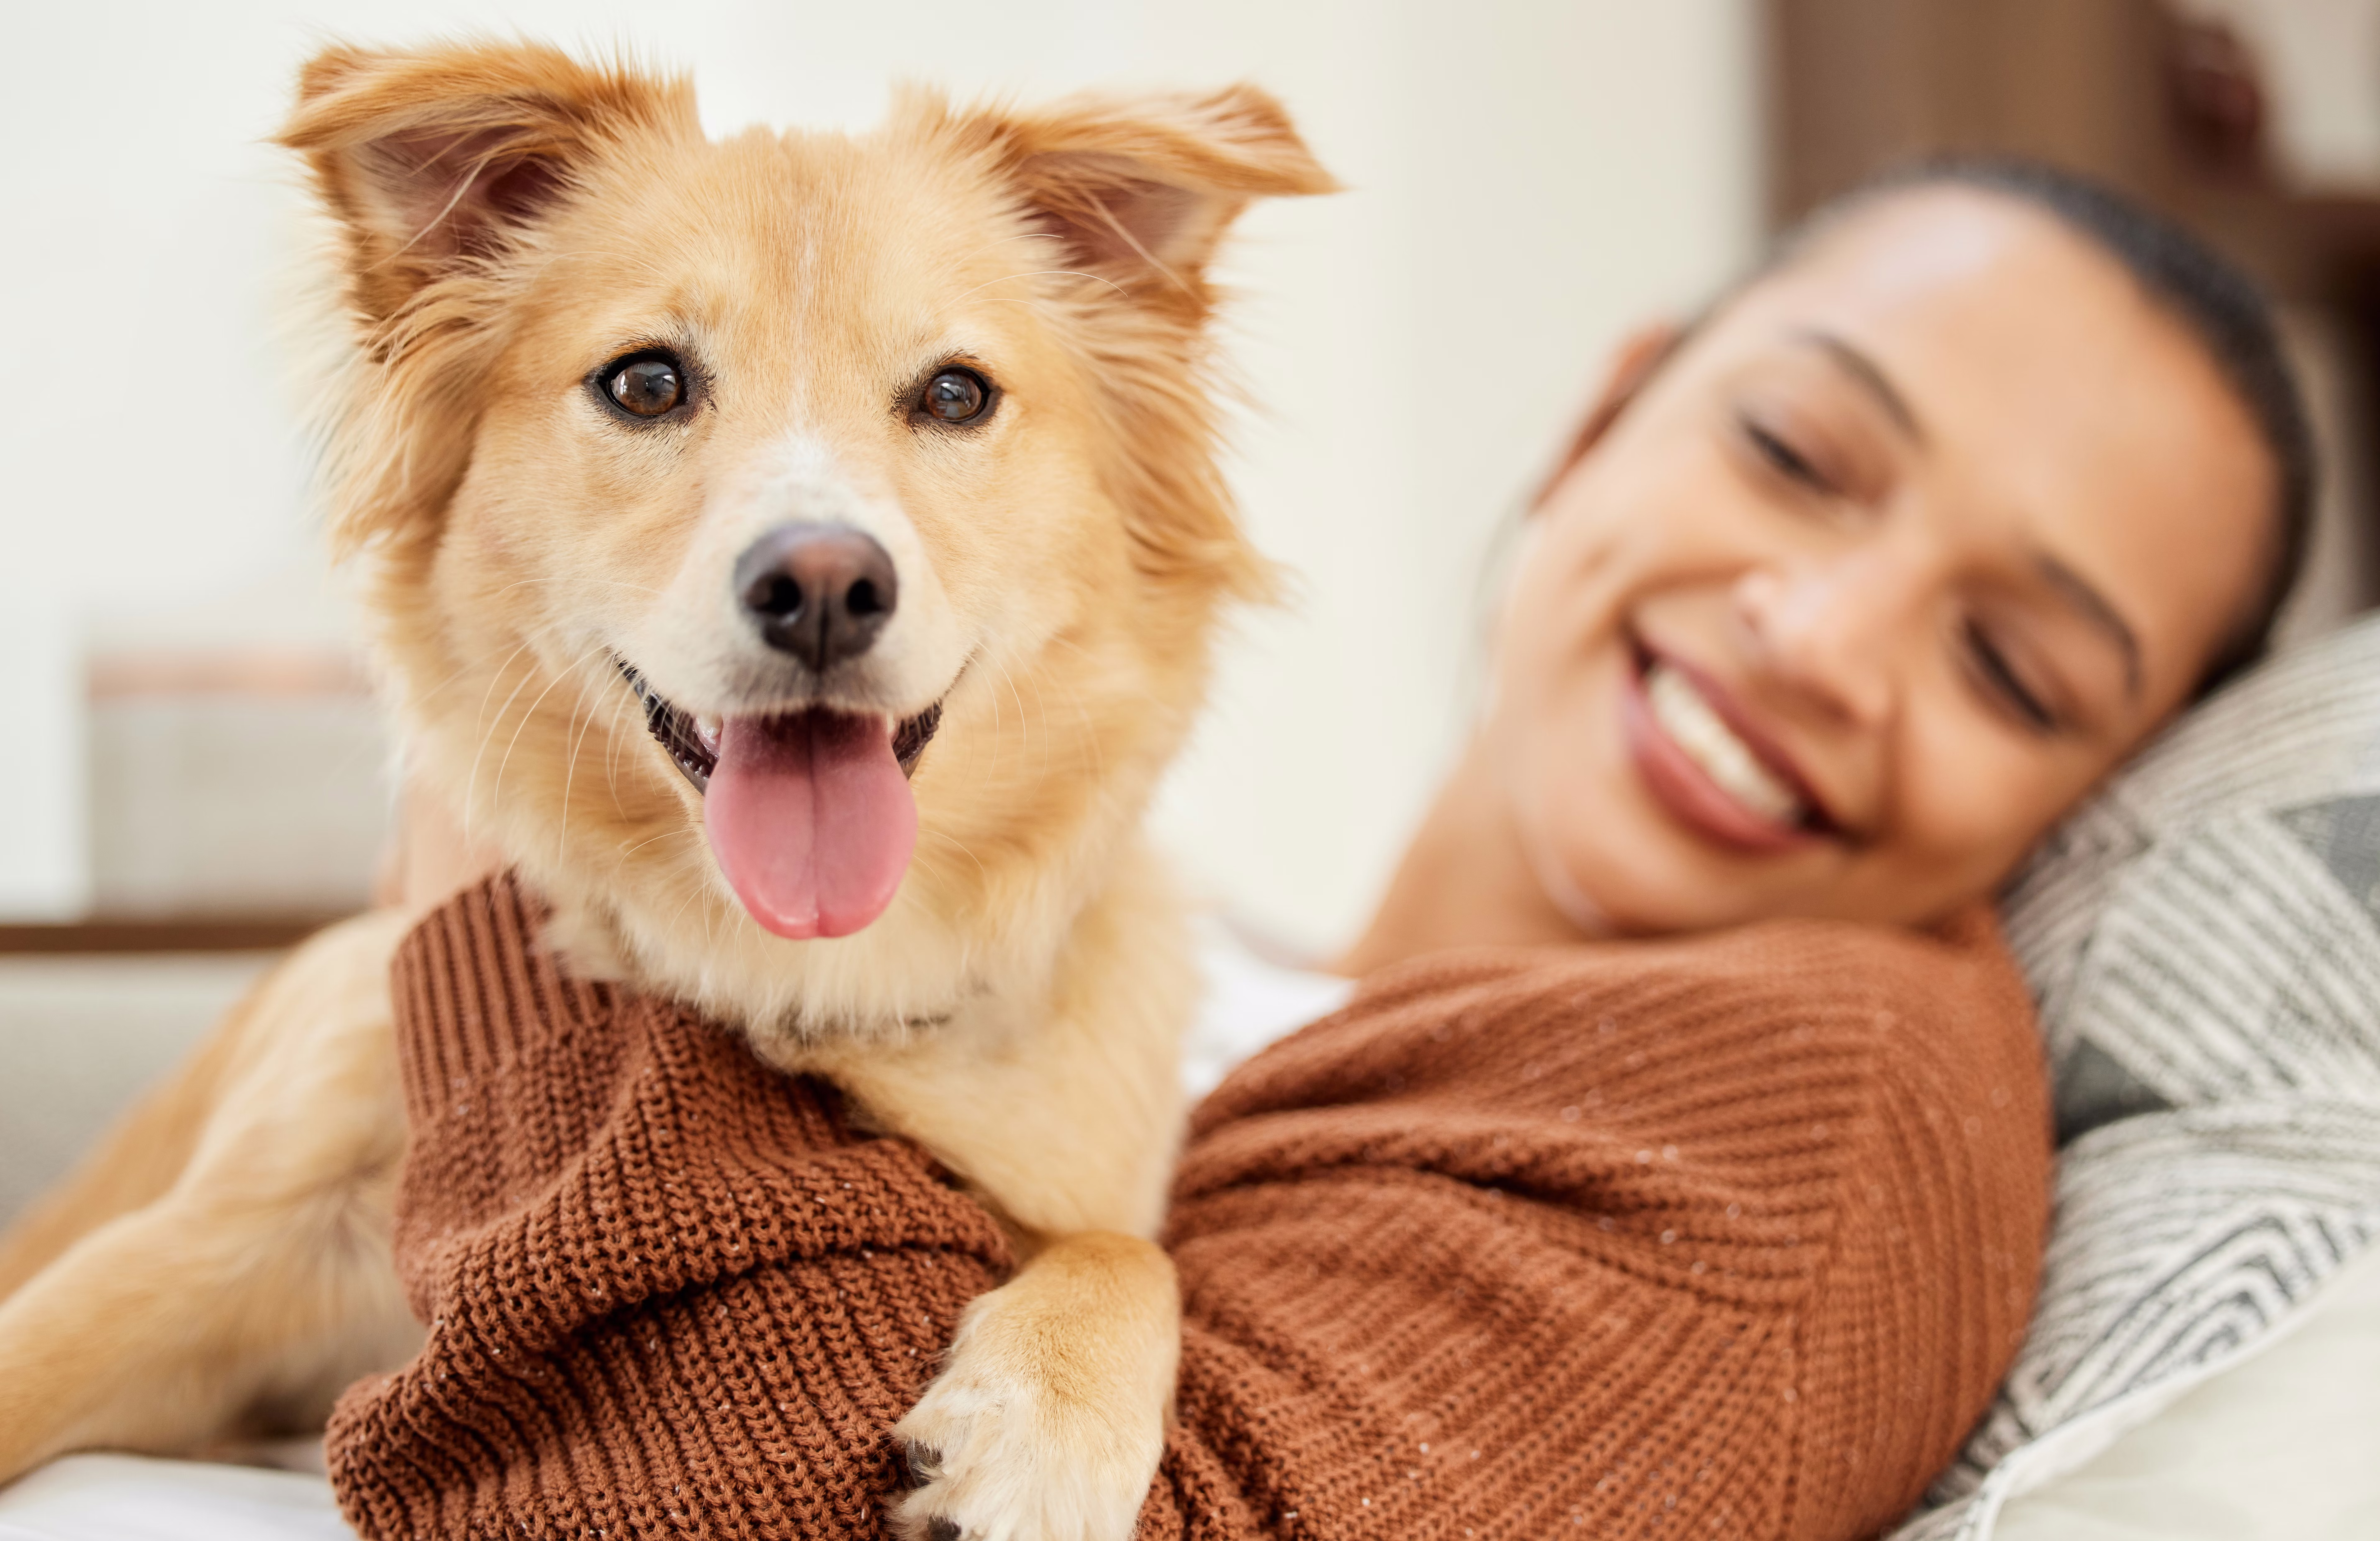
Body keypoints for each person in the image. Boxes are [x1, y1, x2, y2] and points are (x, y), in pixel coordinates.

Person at [10, 161, 2317, 1541]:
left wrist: (492, 908)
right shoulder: (1147, 973)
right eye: (1802, 457)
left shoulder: (1830, 1109)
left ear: (2087, 798)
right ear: (1608, 414)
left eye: (2014, 668)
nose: (1817, 635)